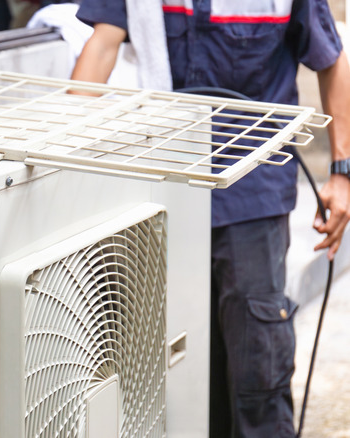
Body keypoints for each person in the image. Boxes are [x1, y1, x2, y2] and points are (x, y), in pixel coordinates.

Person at [70, 1, 350, 436]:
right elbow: (102, 47)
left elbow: (331, 62)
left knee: (256, 364)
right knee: (176, 365)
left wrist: (342, 174)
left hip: (252, 197)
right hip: (166, 188)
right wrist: (61, 160)